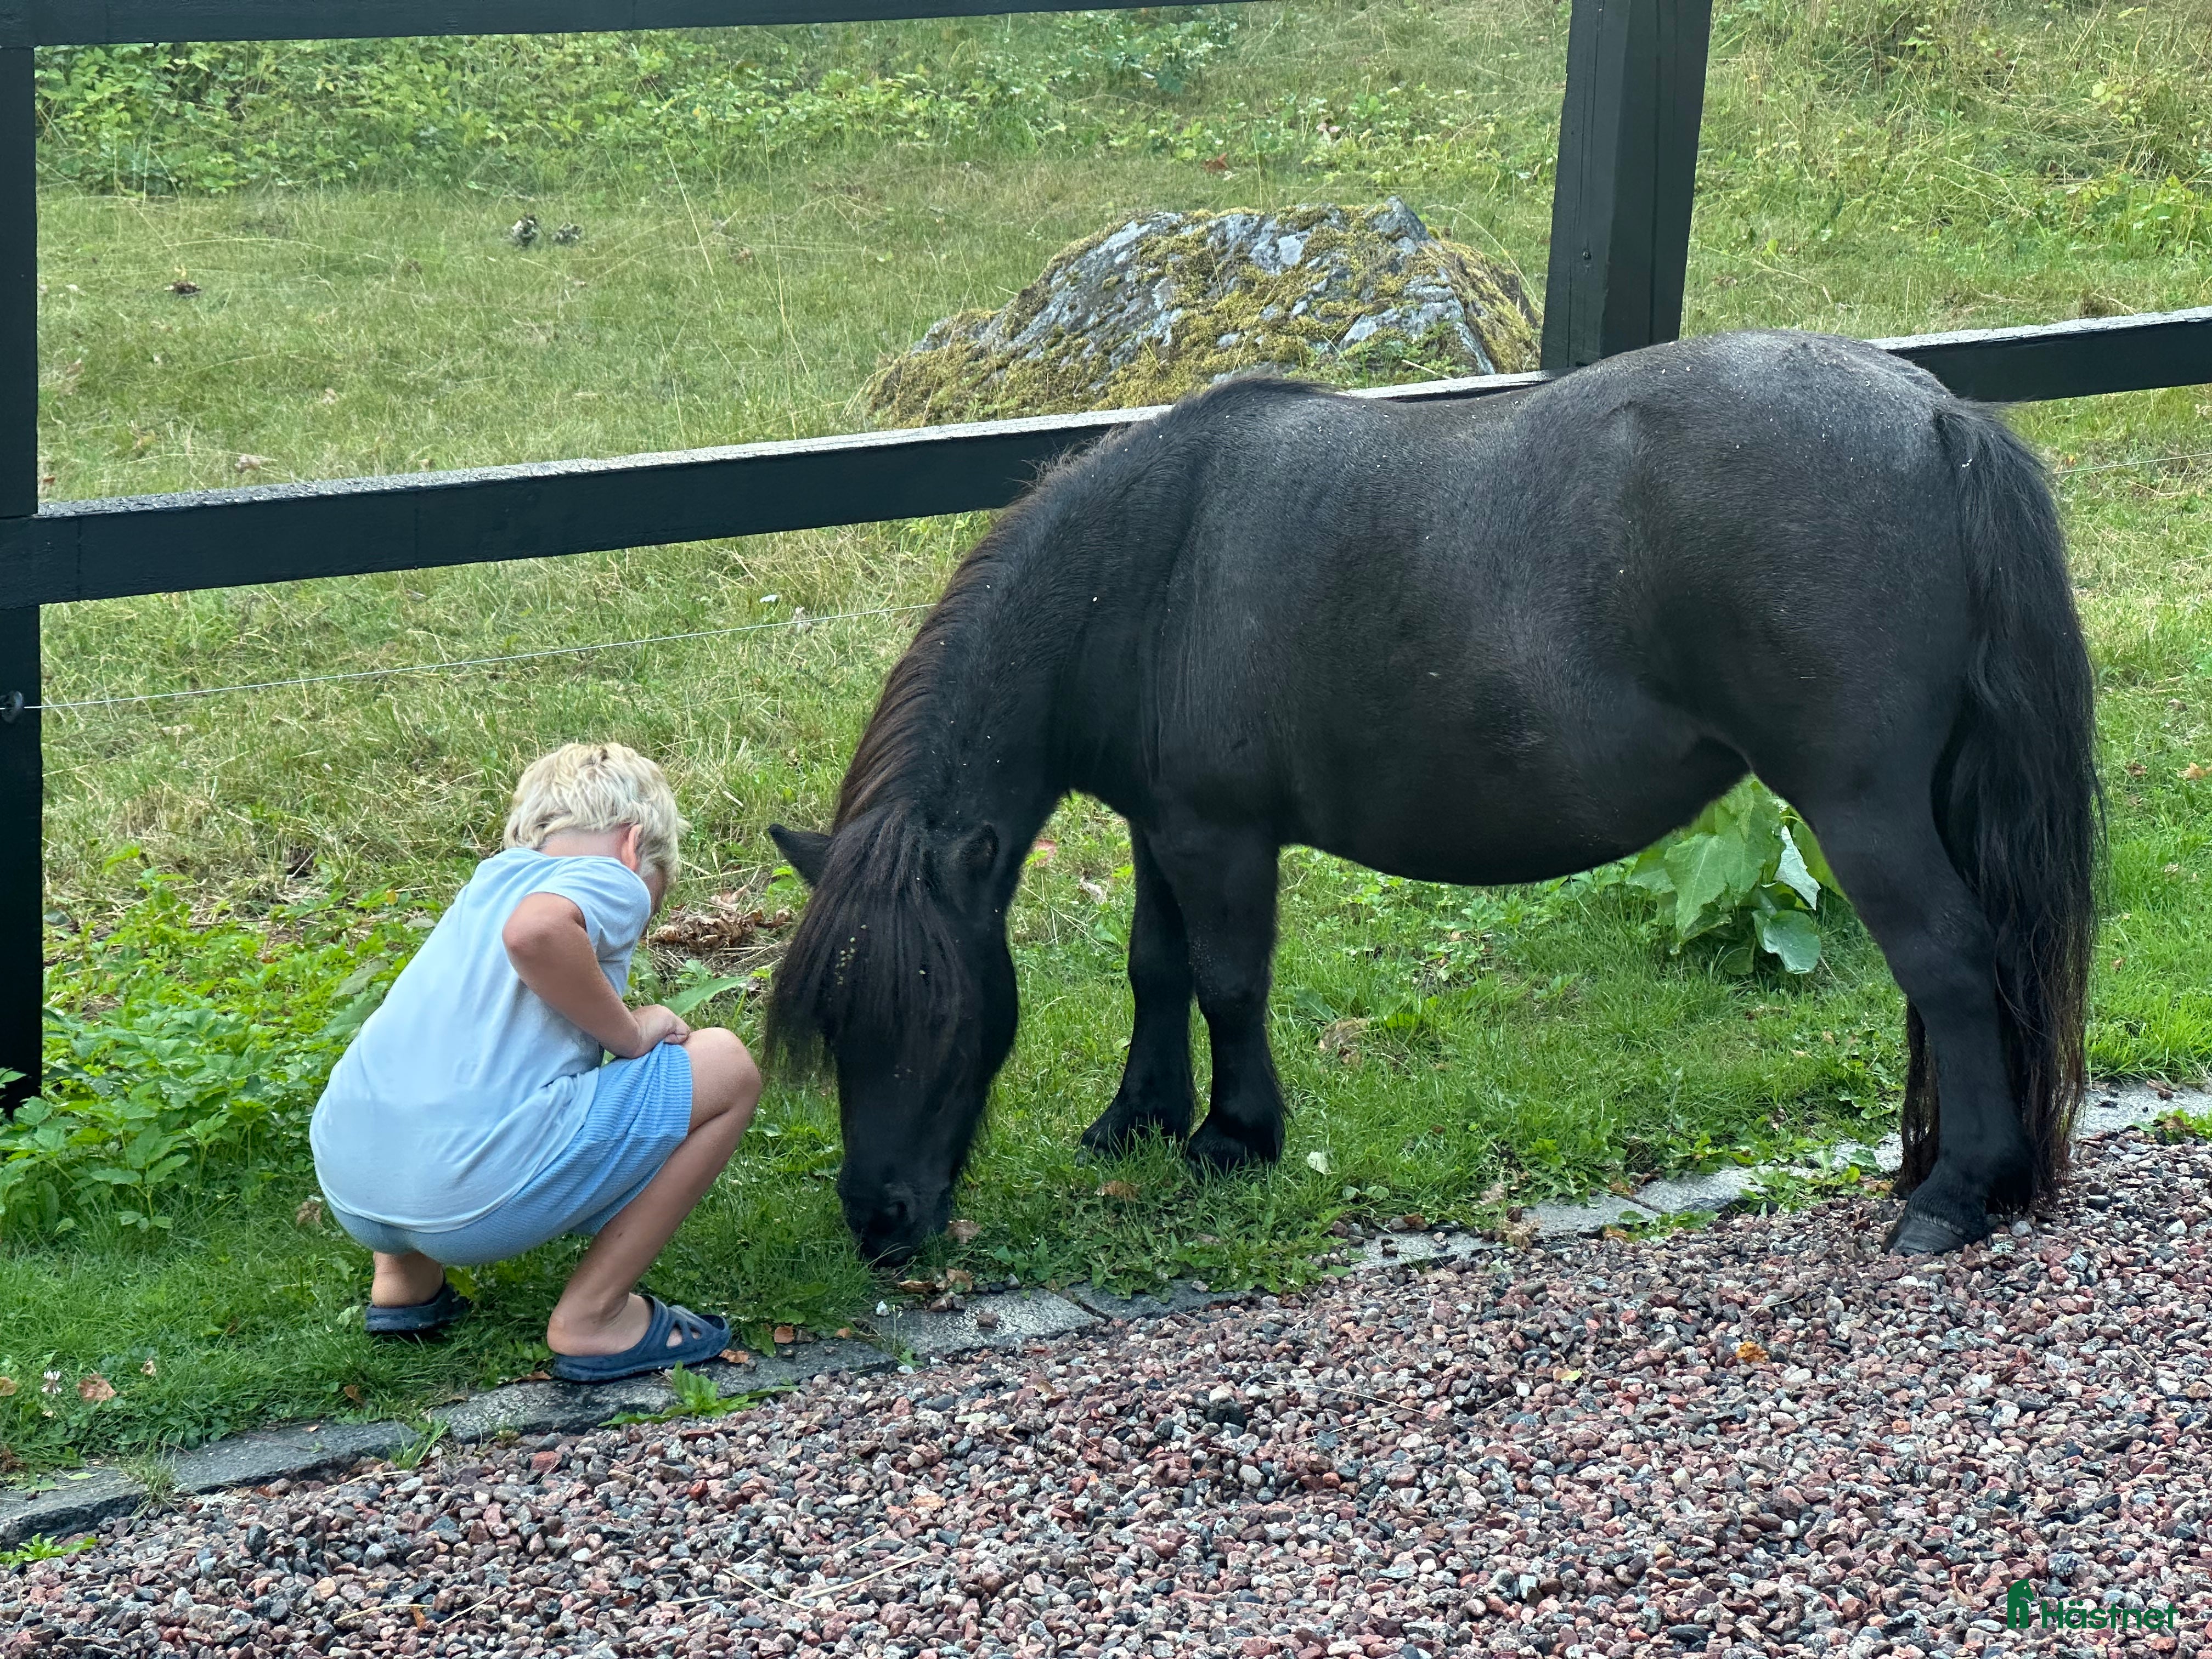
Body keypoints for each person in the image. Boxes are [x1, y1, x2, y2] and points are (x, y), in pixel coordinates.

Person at [311, 742, 761, 1383]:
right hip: (468, 1200)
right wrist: (631, 1035)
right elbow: (539, 934)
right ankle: (595, 1318)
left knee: (440, 1080)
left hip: (352, 1183)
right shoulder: (610, 874)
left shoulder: (488, 883)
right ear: (636, 843)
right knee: (728, 1065)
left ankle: (404, 1281)